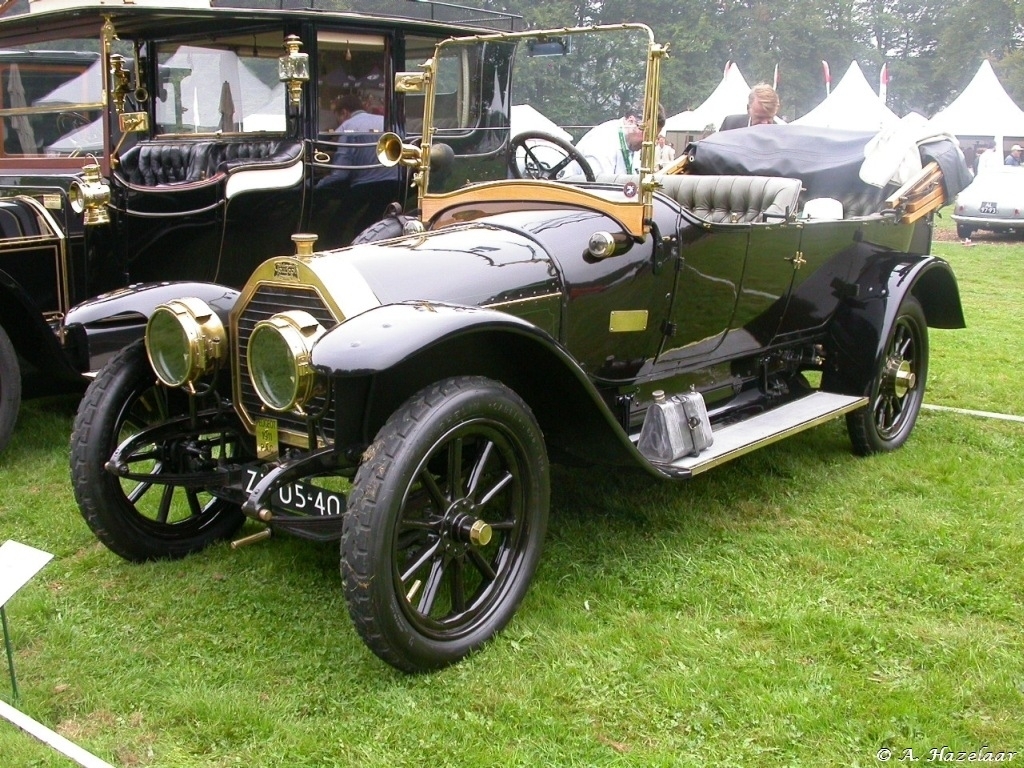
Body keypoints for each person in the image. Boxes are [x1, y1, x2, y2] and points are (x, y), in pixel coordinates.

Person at [316, 94, 401, 236]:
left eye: (337, 116)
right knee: (371, 219)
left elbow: (341, 173)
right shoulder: (386, 122)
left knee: (337, 222)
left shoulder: (348, 126)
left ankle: (332, 247)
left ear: (344, 112)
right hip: (393, 182)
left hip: (365, 184)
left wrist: (317, 185)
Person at [569, 103, 666, 176]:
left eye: (654, 137)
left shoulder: (630, 142)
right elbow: (597, 189)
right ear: (631, 121)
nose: (651, 142)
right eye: (648, 135)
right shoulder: (603, 142)